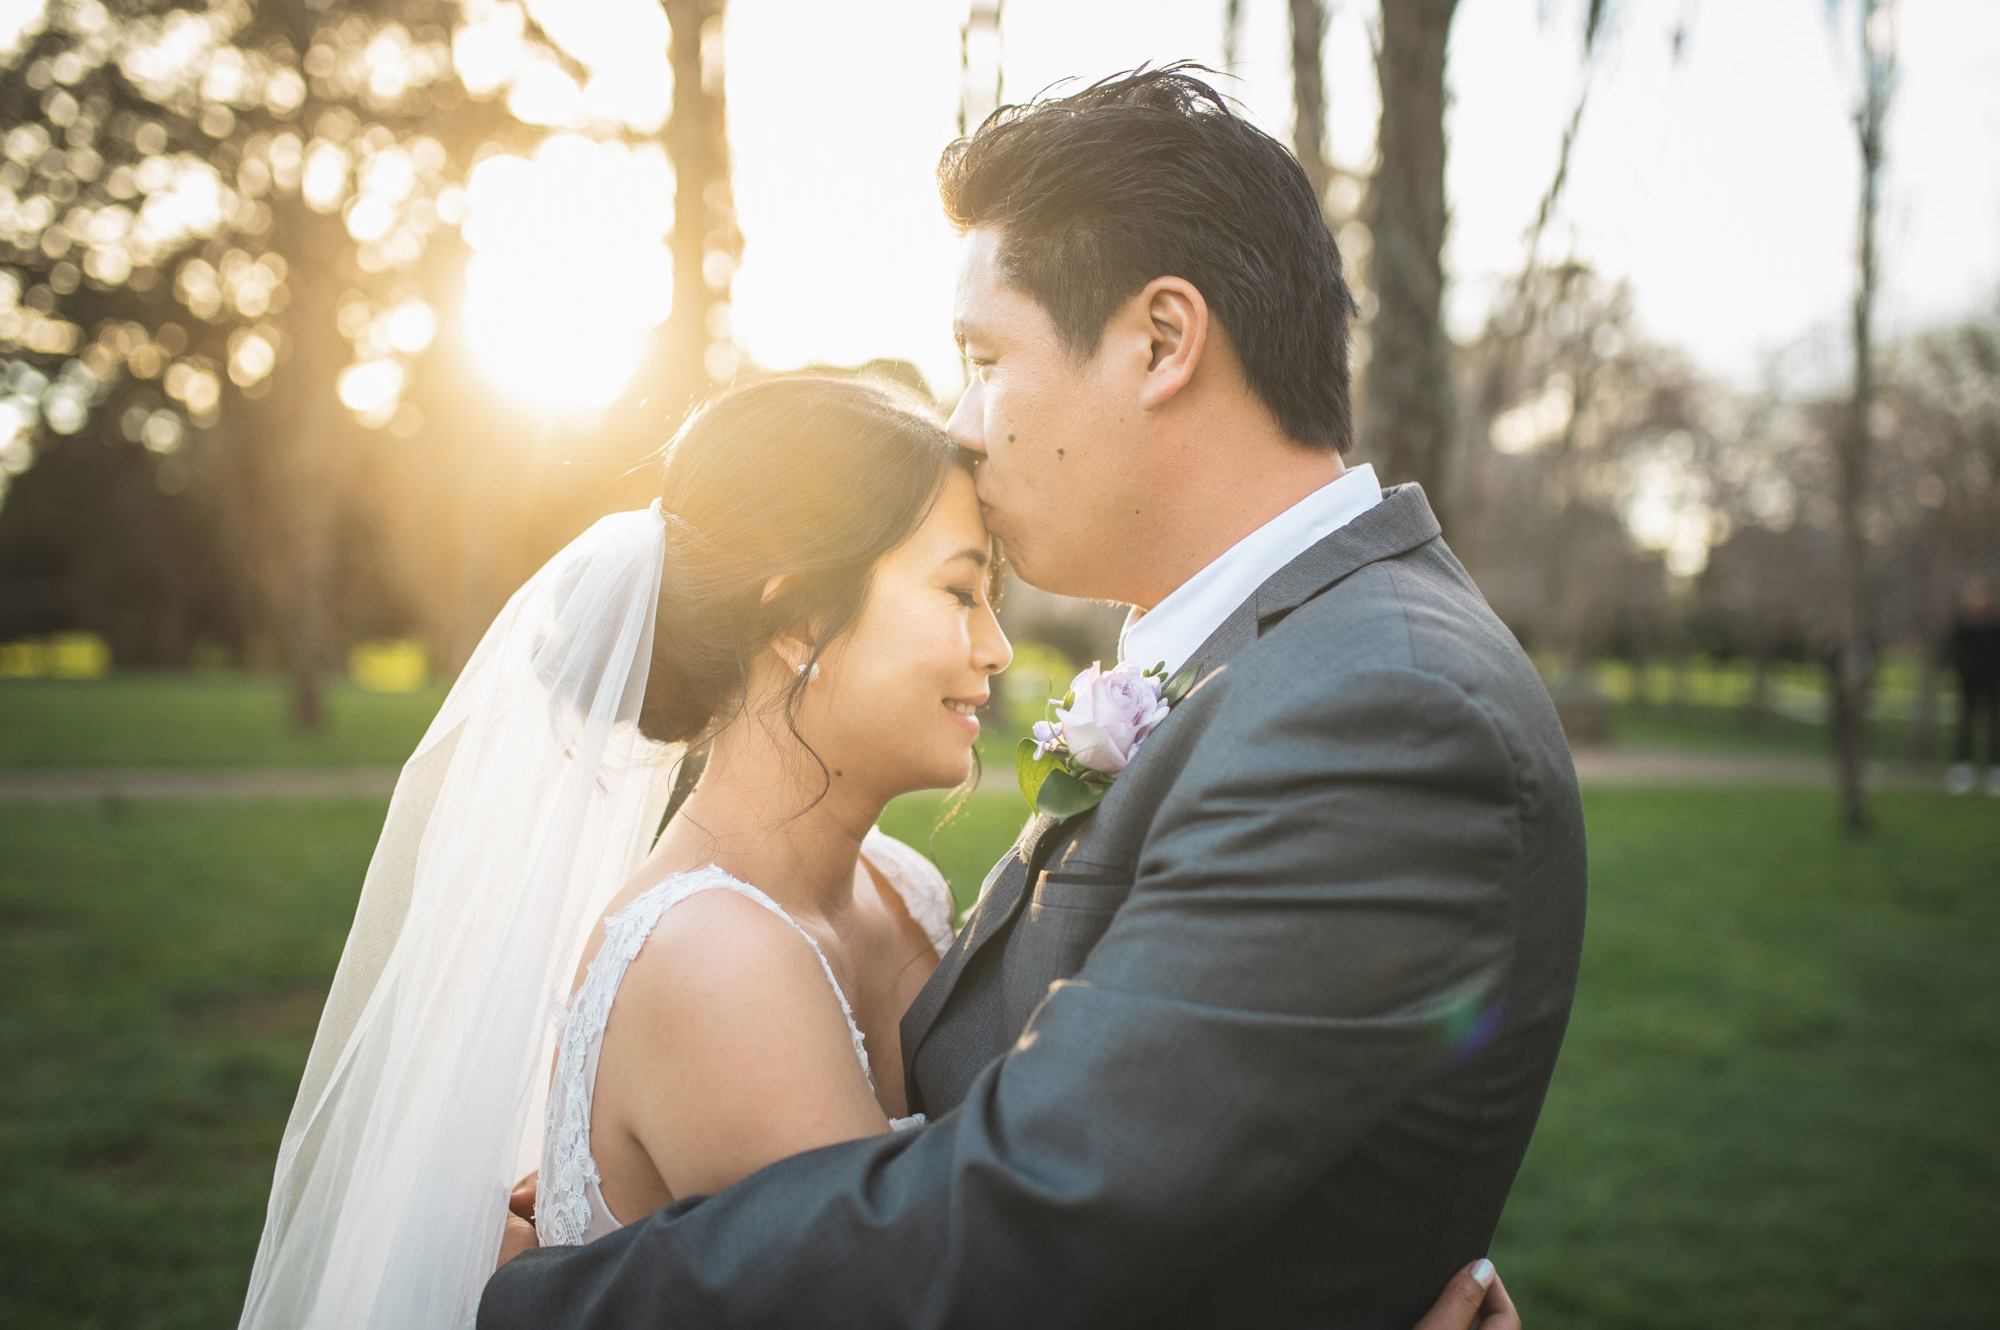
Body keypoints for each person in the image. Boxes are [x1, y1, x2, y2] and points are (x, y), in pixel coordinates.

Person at [482, 66, 1579, 1329]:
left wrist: (579, 1288)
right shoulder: (1274, 666)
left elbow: (1037, 1207)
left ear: (1160, 342)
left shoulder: (1377, 708)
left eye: (983, 355)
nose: (960, 419)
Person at [238, 373, 1513, 1328]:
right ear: (799, 618)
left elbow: (1041, 1198)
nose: (997, 649)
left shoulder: (900, 890)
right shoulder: (714, 958)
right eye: (958, 593)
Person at [1945, 575, 2000, 796]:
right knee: (1966, 724)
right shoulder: (1962, 625)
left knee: (1993, 724)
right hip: (1968, 682)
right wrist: (1961, 671)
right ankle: (1963, 767)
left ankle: (1995, 767)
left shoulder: (1995, 625)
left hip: (1992, 682)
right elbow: (1954, 652)